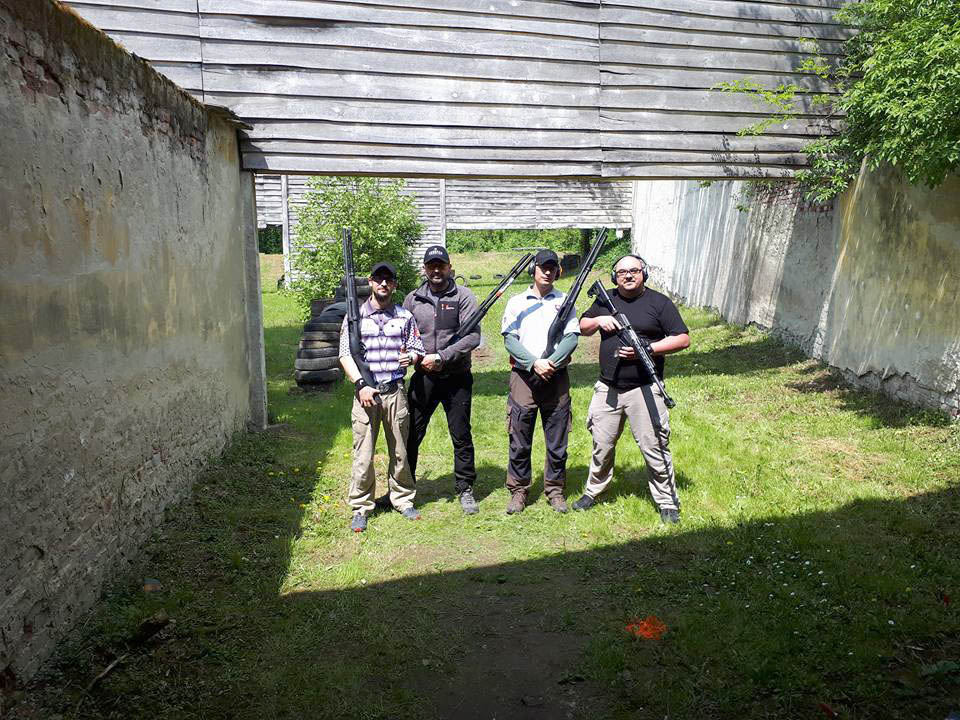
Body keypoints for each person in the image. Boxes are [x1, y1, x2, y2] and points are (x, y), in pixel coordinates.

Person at [572, 254, 690, 523]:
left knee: (655, 447)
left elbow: (683, 339)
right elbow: (582, 326)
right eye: (622, 272)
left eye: (634, 271)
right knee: (601, 445)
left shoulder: (659, 303)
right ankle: (594, 491)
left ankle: (667, 502)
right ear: (615, 277)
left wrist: (647, 349)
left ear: (643, 274)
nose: (628, 275)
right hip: (608, 387)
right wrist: (599, 321)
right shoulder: (605, 300)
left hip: (644, 387)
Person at [339, 261, 425, 533]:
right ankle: (361, 506)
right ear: (370, 282)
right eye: (378, 279)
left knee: (400, 450)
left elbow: (417, 348)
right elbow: (345, 355)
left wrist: (411, 358)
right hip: (365, 395)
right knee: (363, 454)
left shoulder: (405, 316)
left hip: (394, 392)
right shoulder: (355, 318)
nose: (383, 284)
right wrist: (361, 385)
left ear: (395, 285)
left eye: (388, 280)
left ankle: (402, 499)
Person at [402, 245, 483, 514]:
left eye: (441, 265)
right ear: (424, 269)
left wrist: (442, 357)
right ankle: (404, 489)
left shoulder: (464, 296)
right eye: (431, 266)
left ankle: (465, 488)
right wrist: (413, 356)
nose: (436, 270)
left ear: (449, 267)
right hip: (424, 377)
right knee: (411, 434)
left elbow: (473, 337)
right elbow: (403, 334)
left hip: (456, 377)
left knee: (461, 434)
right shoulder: (413, 299)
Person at [500, 249, 580, 514]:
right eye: (542, 267)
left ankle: (555, 490)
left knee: (557, 441)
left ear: (558, 271)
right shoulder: (516, 302)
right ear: (533, 270)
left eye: (552, 267)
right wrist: (534, 363)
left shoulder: (565, 300)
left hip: (556, 377)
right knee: (519, 438)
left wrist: (551, 363)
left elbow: (572, 337)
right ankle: (519, 490)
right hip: (524, 376)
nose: (547, 271)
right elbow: (510, 338)